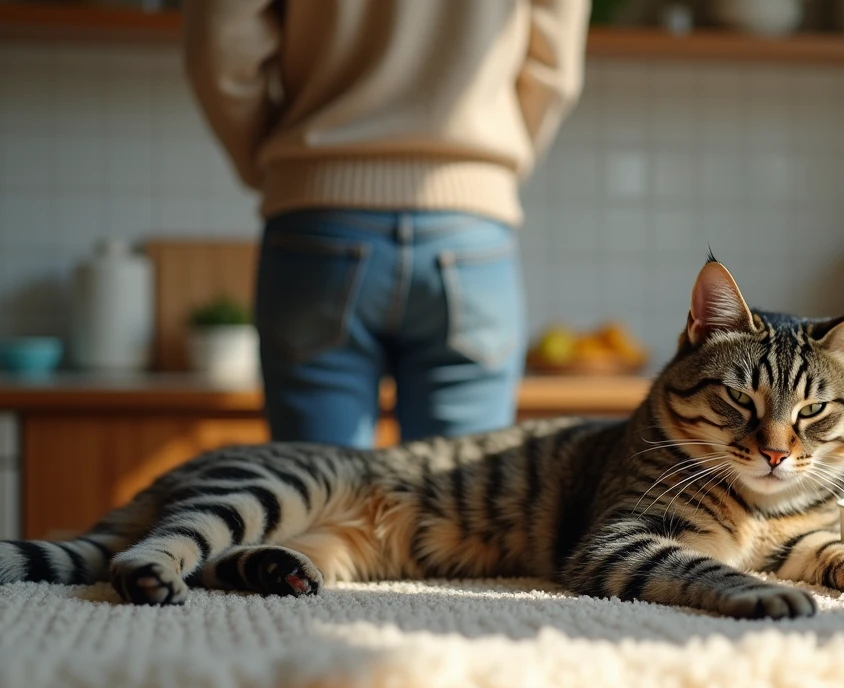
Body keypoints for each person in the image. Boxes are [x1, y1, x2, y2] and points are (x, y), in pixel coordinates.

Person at [183, 1, 590, 448]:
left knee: (319, 503)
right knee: (460, 504)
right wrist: (484, 175)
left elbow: (222, 40)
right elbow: (556, 65)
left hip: (317, 222)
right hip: (470, 236)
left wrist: (281, 170)